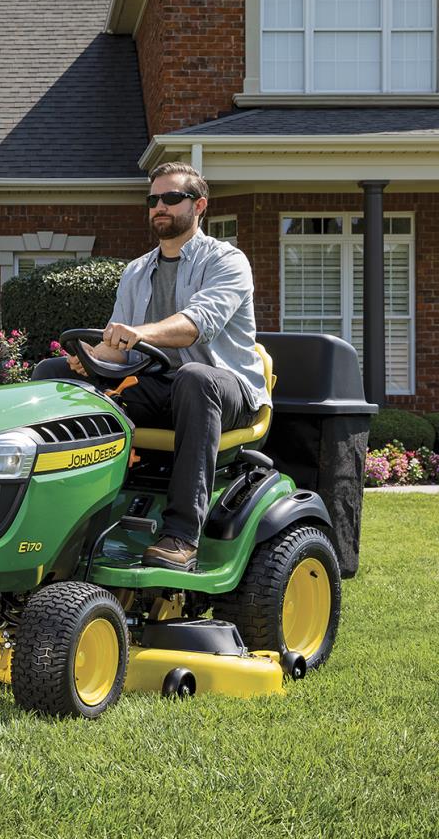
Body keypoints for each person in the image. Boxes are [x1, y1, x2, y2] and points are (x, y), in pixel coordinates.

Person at [33, 162, 271, 571]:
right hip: (159, 385)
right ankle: (52, 518)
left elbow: (196, 325)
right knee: (52, 374)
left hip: (227, 391)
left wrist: (140, 334)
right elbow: (120, 348)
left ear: (199, 206)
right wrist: (90, 357)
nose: (159, 206)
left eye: (171, 198)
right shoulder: (137, 271)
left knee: (194, 379)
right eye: (153, 199)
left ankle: (181, 536)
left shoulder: (227, 262)